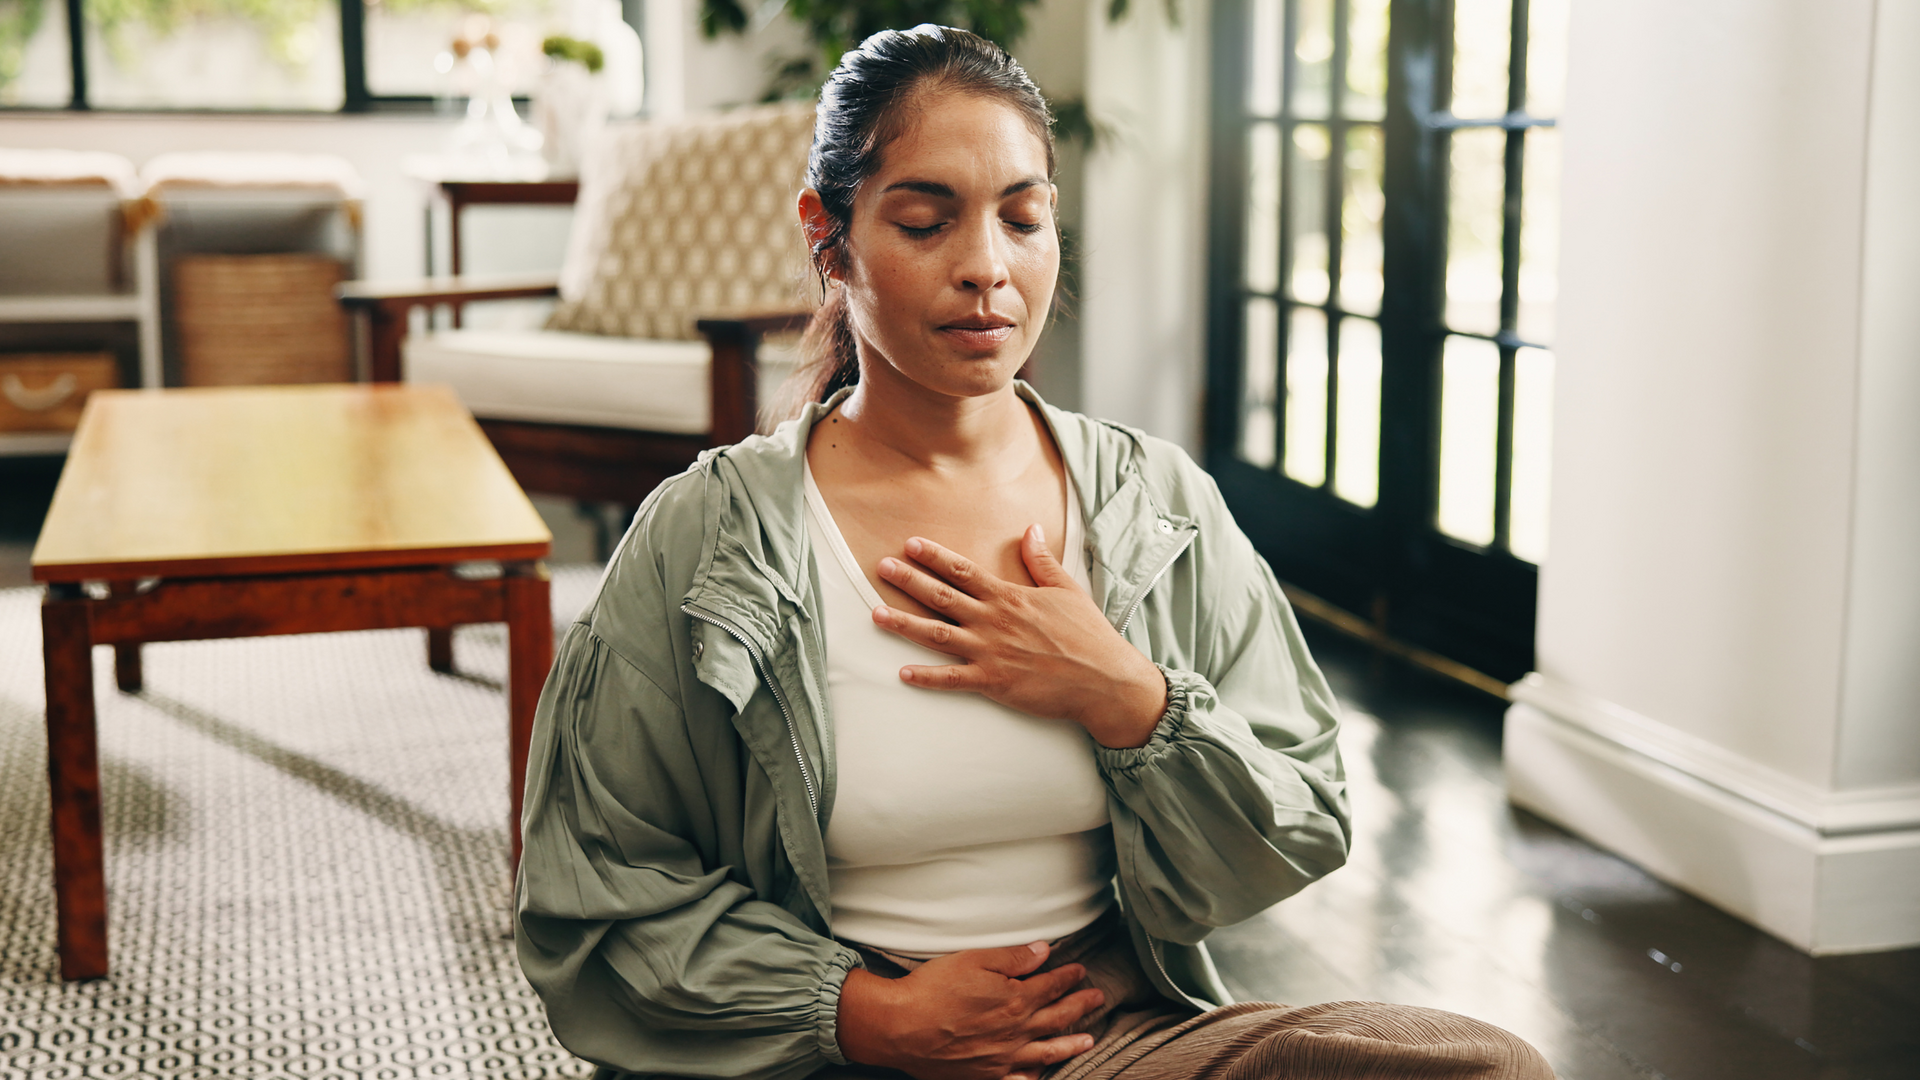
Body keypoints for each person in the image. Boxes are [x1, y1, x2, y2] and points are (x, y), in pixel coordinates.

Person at [514, 23, 1555, 1080]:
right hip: (821, 1048)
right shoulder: (708, 535)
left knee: (1480, 1067)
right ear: (829, 235)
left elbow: (1301, 816)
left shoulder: (1157, 506)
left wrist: (1130, 698)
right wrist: (870, 1014)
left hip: (1099, 1038)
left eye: (1023, 218)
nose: (987, 270)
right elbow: (591, 889)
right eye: (925, 223)